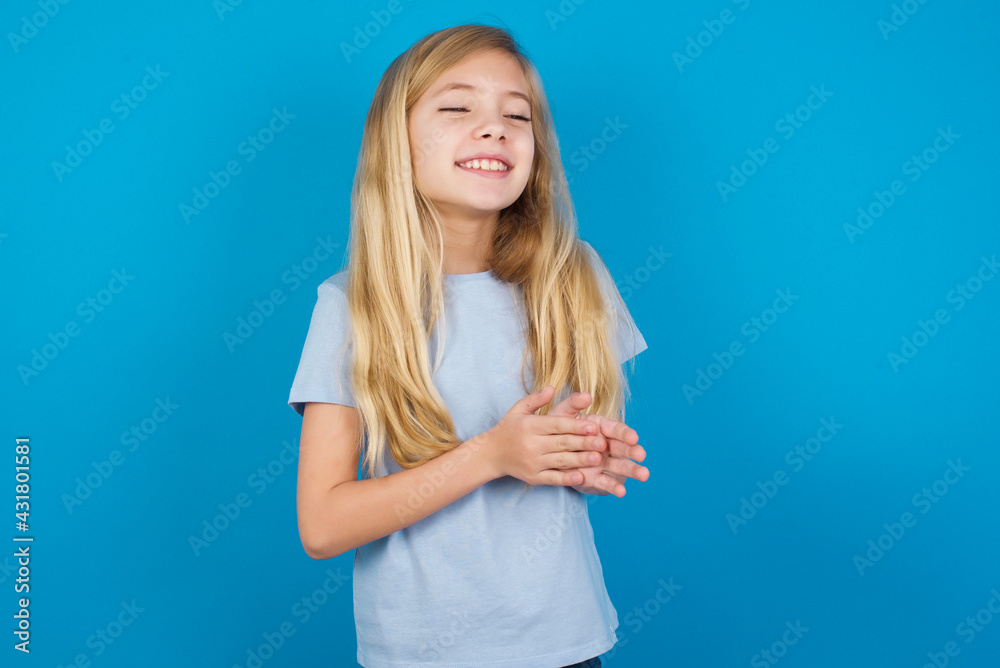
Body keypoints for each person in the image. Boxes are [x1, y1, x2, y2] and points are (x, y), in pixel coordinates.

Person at [288, 23, 649, 668]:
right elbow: (322, 525)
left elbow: (585, 444)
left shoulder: (577, 276)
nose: (495, 128)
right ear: (395, 139)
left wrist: (588, 459)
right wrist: (490, 456)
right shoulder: (350, 307)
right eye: (457, 107)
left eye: (518, 114)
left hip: (567, 643)